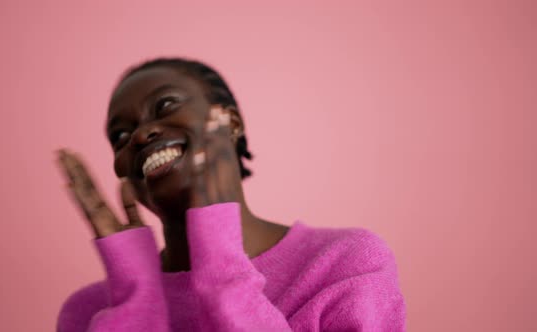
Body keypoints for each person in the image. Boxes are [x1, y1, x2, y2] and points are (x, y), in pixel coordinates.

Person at [55, 58, 406, 331]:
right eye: (120, 136)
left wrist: (219, 249)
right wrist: (137, 295)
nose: (141, 135)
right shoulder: (87, 311)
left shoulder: (346, 263)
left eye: (165, 106)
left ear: (230, 124)